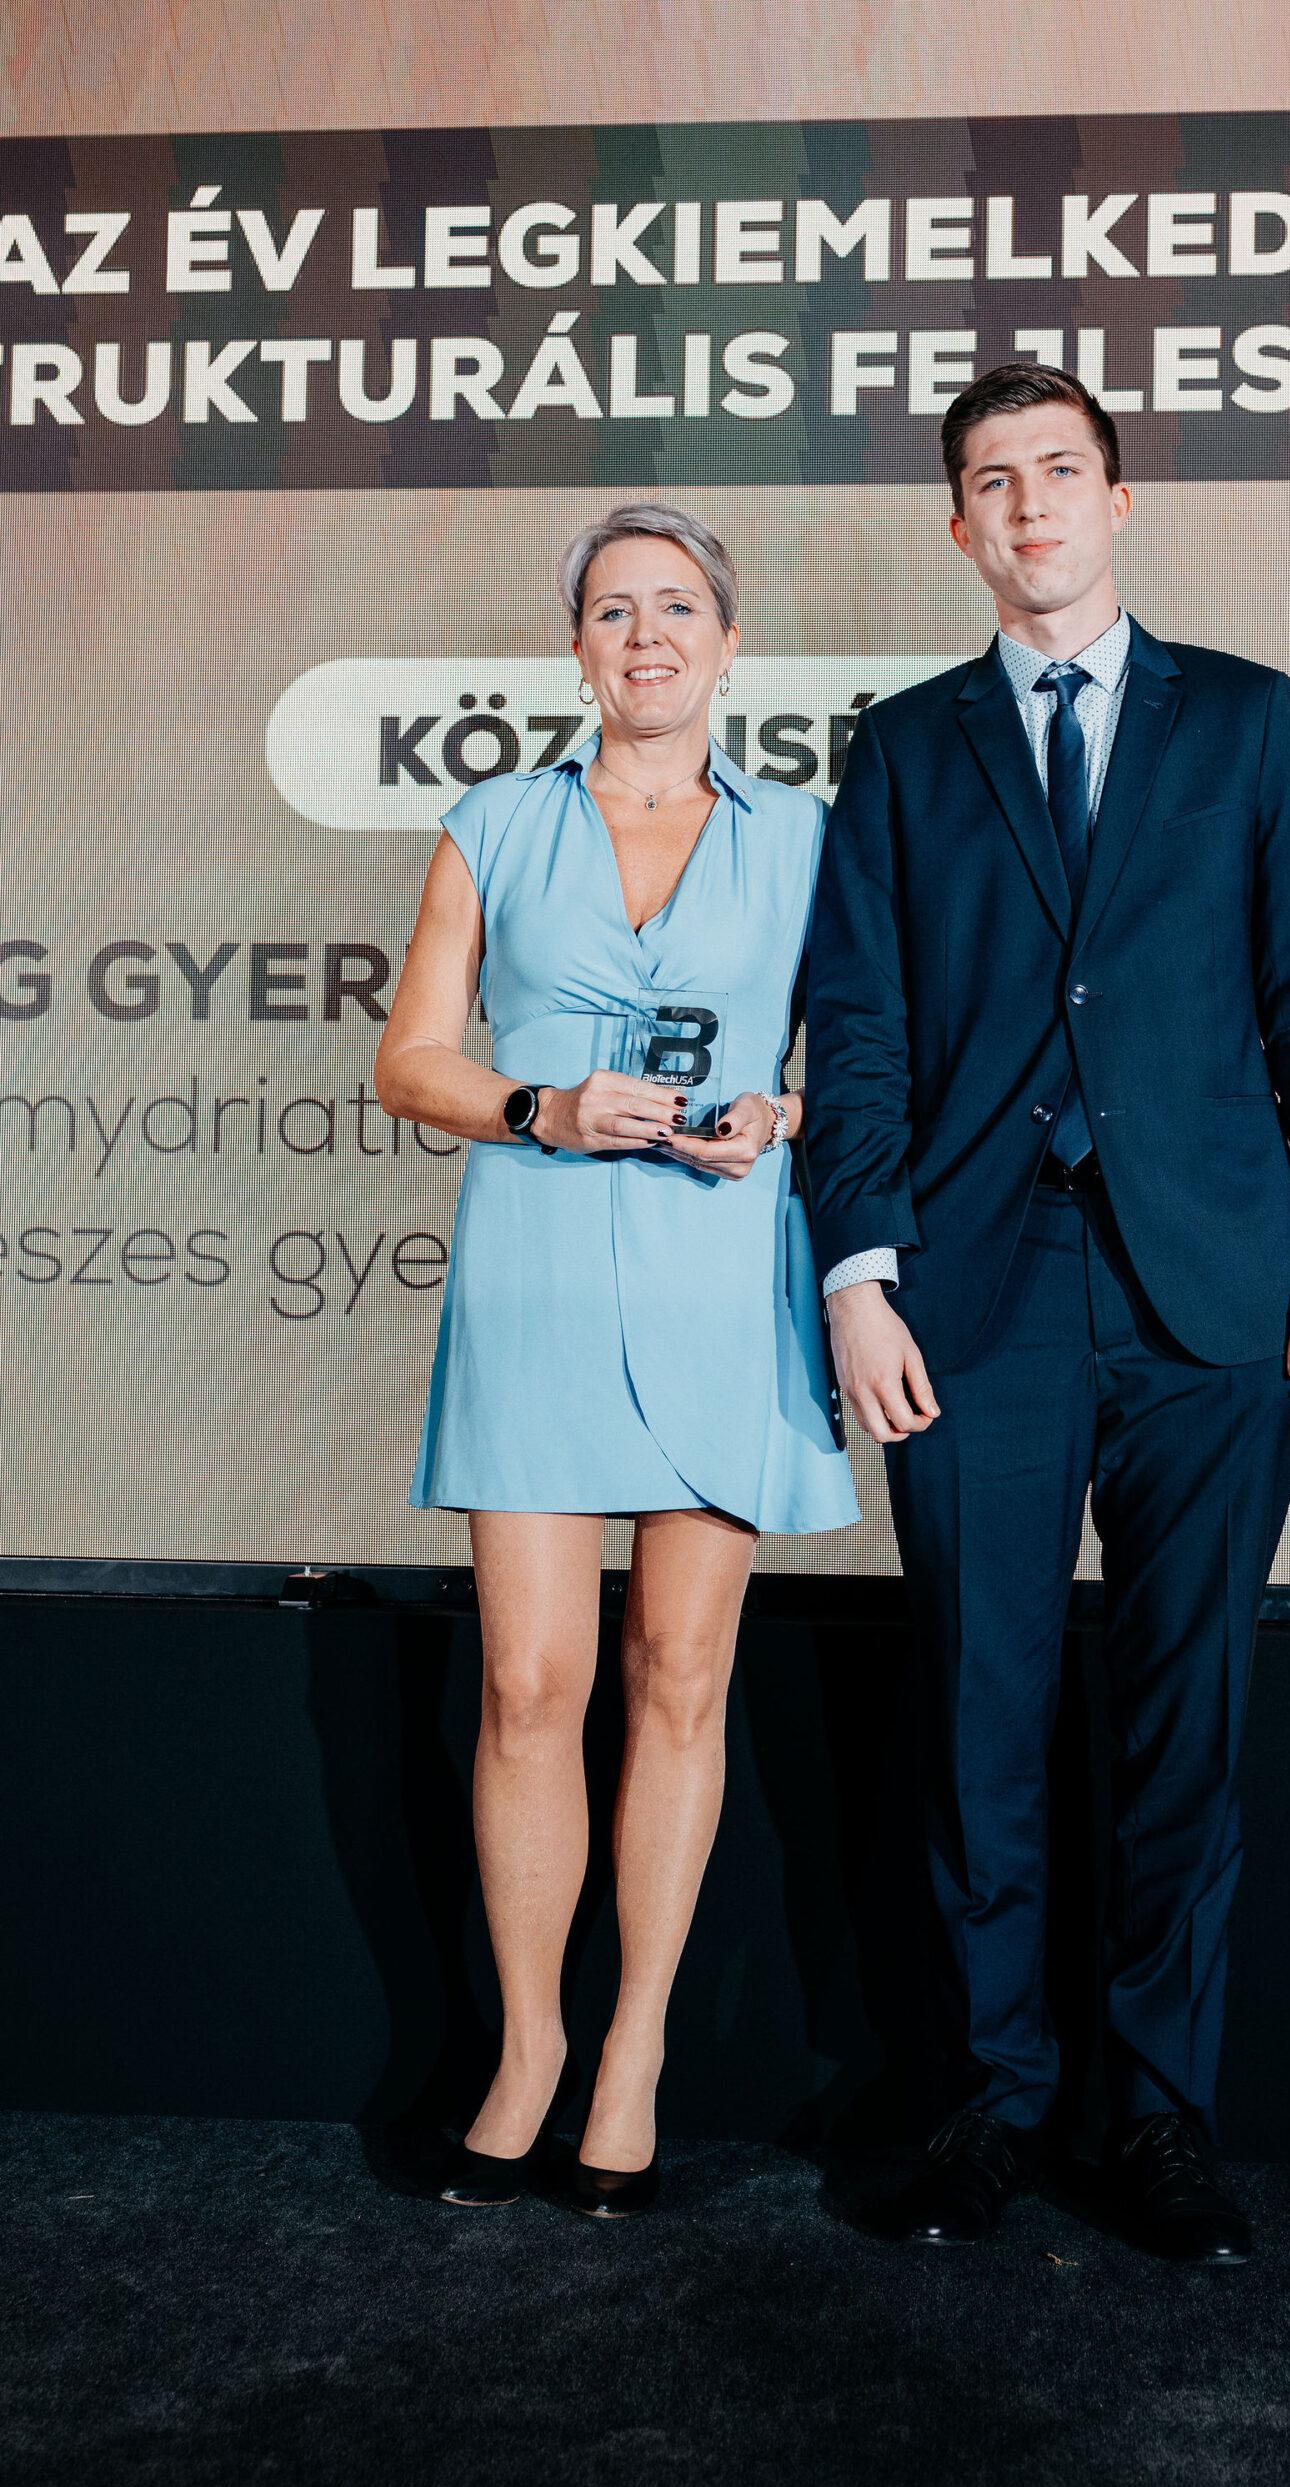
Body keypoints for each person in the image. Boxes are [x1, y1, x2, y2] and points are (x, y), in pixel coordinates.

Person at [806, 363, 1290, 2264]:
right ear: (957, 526)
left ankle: (1157, 2120)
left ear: (1119, 502)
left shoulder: (1246, 718)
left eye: (1061, 470)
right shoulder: (905, 748)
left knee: (1181, 1724)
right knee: (978, 1712)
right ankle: (988, 2109)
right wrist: (858, 1271)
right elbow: (861, 1031)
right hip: (973, 1292)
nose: (1032, 504)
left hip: (1209, 1290)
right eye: (995, 480)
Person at [376, 500, 857, 2214]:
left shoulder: (808, 837)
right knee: (527, 1686)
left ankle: (635, 2049)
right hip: (540, 1266)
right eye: (611, 610)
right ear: (574, 645)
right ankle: (528, 2047)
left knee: (681, 1675)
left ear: (728, 642)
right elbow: (410, 1059)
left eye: (675, 608)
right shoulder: (494, 823)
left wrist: (781, 1114)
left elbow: (860, 1058)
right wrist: (547, 1107)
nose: (645, 636)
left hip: (725, 1268)